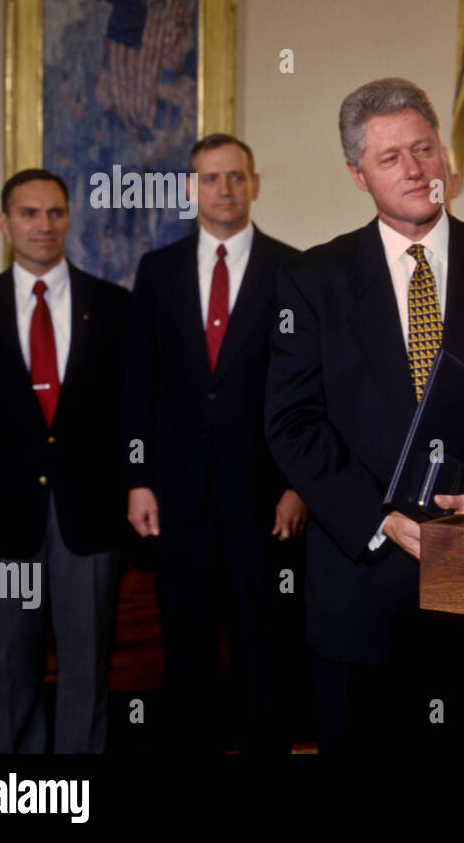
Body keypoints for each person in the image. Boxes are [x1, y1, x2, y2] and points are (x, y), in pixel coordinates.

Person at [264, 77, 464, 753]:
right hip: (358, 593)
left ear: (445, 155)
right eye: (390, 157)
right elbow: (292, 422)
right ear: (358, 175)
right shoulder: (312, 282)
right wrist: (379, 518)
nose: (414, 169)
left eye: (424, 149)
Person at [123, 134, 307, 753]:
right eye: (210, 178)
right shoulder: (157, 271)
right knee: (187, 649)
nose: (223, 190)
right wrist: (139, 480)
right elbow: (138, 383)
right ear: (189, 189)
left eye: (235, 177)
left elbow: (311, 392)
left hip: (263, 502)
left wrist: (295, 486)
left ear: (254, 184)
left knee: (267, 649)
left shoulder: (295, 271)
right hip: (176, 500)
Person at [0, 169, 129, 753]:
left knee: (87, 670)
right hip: (4, 519)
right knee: (13, 670)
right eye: (28, 213)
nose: (43, 225)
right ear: (5, 222)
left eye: (54, 213)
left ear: (69, 218)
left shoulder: (113, 306)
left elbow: (131, 412)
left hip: (90, 522)